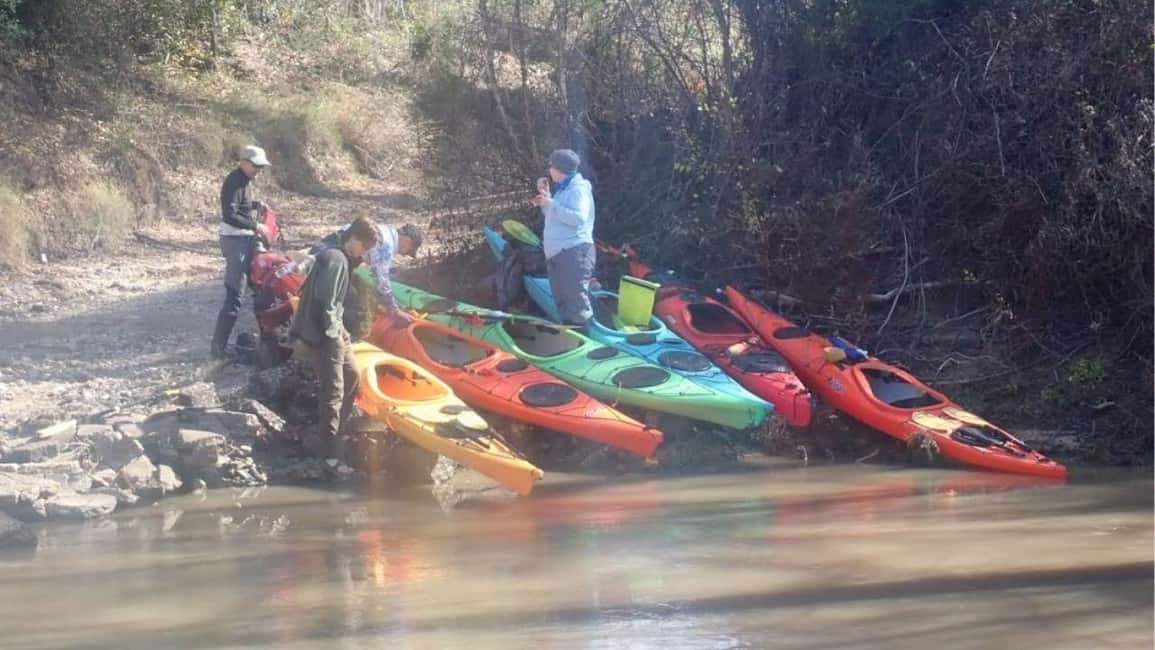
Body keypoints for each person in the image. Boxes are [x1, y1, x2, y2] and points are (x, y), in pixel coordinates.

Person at [289, 216, 380, 457]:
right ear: (355, 239)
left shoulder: (343, 258)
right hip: (326, 333)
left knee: (352, 375)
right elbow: (326, 302)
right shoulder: (335, 260)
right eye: (365, 248)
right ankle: (328, 448)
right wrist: (333, 336)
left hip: (338, 330)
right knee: (334, 389)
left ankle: (338, 428)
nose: (365, 253)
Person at [211, 145, 271, 360]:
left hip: (243, 239)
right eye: (256, 166)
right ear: (244, 162)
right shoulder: (235, 181)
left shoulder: (245, 180)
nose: (259, 171)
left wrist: (255, 204)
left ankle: (267, 340)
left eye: (261, 167)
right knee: (235, 296)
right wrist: (256, 226)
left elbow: (239, 206)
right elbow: (230, 215)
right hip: (235, 241)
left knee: (259, 286)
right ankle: (218, 349)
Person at [316, 218, 424, 328]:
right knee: (352, 307)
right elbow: (382, 282)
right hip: (334, 254)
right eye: (409, 250)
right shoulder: (387, 245)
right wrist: (395, 310)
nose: (405, 254)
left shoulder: (387, 231)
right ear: (407, 240)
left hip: (332, 245)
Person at [531, 148, 596, 327]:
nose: (549, 170)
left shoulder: (578, 189)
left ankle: (586, 340)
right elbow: (555, 216)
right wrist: (546, 197)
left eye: (551, 166)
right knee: (564, 304)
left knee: (576, 306)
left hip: (574, 253)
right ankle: (571, 338)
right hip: (560, 255)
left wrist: (551, 203)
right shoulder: (564, 189)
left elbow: (578, 218)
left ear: (559, 169)